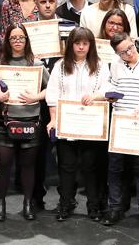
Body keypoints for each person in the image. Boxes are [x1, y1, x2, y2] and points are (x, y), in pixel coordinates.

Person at [0, 23, 50, 221]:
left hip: (31, 120)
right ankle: (1, 202)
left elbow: (52, 88)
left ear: (26, 40)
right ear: (7, 41)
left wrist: (36, 97)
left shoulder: (37, 64)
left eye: (21, 38)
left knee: (28, 166)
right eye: (14, 38)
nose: (18, 41)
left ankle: (28, 203)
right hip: (4, 121)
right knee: (4, 165)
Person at [45, 26, 111, 221]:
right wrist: (53, 119)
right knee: (66, 167)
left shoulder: (100, 65)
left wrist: (95, 96)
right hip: (68, 124)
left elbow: (107, 89)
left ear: (91, 45)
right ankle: (65, 204)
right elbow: (52, 94)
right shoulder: (60, 66)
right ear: (71, 45)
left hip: (91, 124)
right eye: (77, 43)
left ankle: (94, 206)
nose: (81, 47)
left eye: (85, 43)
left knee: (91, 168)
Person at [101, 32, 139, 226]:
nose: (129, 53)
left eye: (130, 48)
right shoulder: (116, 64)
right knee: (115, 167)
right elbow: (112, 85)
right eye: (123, 52)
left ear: (134, 42)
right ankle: (115, 208)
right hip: (120, 120)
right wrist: (108, 94)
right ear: (117, 54)